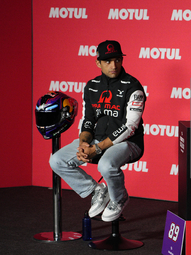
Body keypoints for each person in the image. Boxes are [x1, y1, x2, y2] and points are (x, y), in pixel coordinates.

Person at [50, 40, 146, 222]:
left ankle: (119, 198)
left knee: (106, 165)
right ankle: (96, 190)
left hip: (128, 142)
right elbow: (88, 119)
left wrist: (98, 148)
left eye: (117, 59)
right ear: (98, 63)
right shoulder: (91, 86)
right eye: (108, 61)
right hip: (97, 140)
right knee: (57, 160)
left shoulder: (134, 86)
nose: (114, 65)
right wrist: (83, 144)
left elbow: (130, 126)